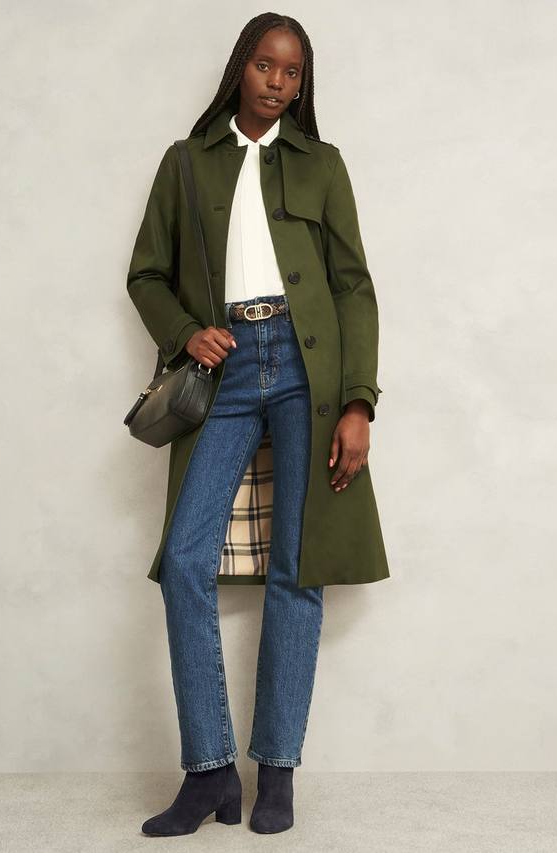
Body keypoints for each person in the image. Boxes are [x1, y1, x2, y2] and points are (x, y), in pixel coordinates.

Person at [126, 12, 388, 837]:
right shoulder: (186, 162)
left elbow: (353, 286)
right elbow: (146, 274)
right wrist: (185, 331)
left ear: (302, 84)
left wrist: (359, 399)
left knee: (296, 567)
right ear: (241, 67)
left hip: (310, 370)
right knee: (185, 559)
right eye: (266, 66)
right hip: (228, 367)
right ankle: (209, 771)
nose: (278, 82)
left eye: (293, 72)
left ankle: (277, 771)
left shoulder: (322, 164)